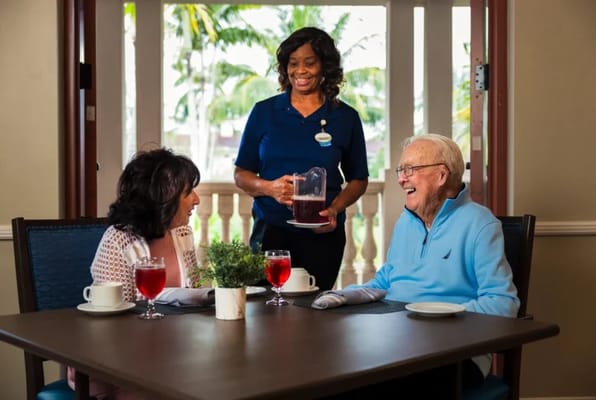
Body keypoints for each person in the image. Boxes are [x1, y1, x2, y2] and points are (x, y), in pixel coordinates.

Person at [343, 133, 520, 398]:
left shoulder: (481, 224)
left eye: (410, 169)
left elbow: (503, 304)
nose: (402, 179)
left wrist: (435, 318)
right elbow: (385, 281)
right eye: (401, 171)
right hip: (398, 346)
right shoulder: (405, 223)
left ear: (441, 175)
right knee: (340, 373)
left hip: (456, 355)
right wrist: (341, 297)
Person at [234, 27, 369, 290]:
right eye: (293, 63)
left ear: (325, 66)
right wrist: (269, 188)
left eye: (310, 63)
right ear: (285, 68)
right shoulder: (265, 112)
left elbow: (359, 179)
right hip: (270, 232)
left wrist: (334, 209)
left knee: (317, 315)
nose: (301, 71)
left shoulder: (345, 117)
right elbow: (241, 174)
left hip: (323, 234)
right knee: (266, 313)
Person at [68, 147, 201, 399]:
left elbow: (192, 298)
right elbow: (112, 324)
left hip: (172, 357)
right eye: (188, 192)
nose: (197, 200)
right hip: (118, 366)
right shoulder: (118, 240)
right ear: (163, 196)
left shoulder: (183, 236)